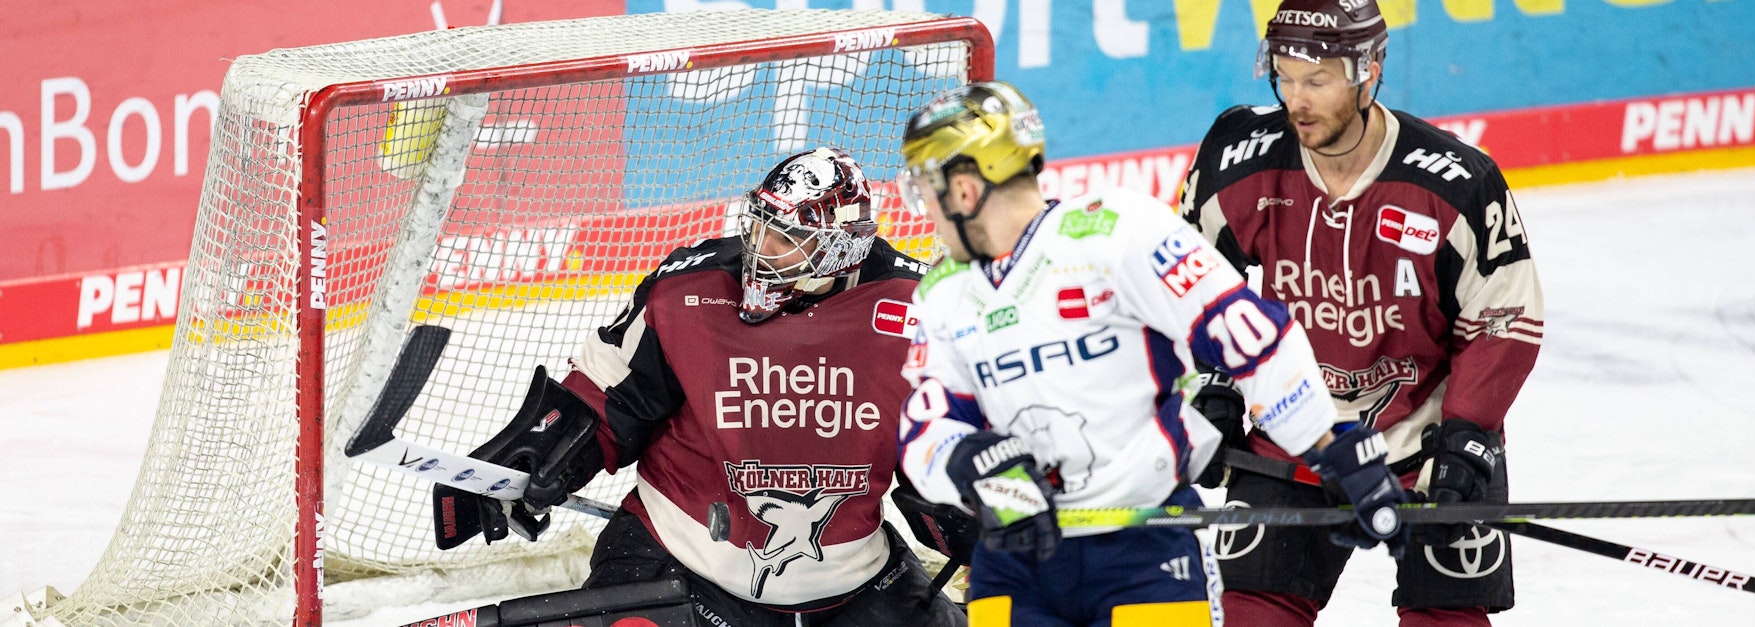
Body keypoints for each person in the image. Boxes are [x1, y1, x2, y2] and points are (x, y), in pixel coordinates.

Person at [892, 81, 1411, 627]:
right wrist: (969, 461)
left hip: (1144, 551)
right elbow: (926, 428)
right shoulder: (942, 293)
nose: (921, 205)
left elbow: (1248, 335)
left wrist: (1331, 448)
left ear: (966, 188)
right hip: (1015, 564)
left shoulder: (1116, 231)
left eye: (926, 186)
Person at [441, 147, 967, 626]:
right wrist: (538, 457)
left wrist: (965, 509)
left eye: (784, 239)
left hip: (853, 586)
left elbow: (942, 444)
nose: (760, 248)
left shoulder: (918, 309)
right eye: (759, 227)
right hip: (680, 561)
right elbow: (604, 400)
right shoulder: (687, 289)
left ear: (837, 250)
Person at [1176, 1, 1545, 625]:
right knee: (1253, 614)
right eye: (1285, 77)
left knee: (1447, 618)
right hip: (1291, 433)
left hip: (1427, 442)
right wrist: (1210, 389)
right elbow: (1186, 287)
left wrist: (1469, 431)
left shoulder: (1455, 182)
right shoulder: (1238, 159)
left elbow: (1502, 317)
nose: (1296, 99)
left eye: (1316, 81)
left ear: (1368, 71)